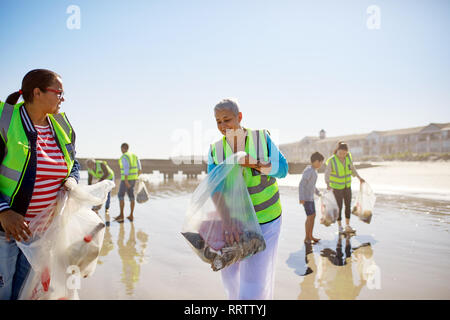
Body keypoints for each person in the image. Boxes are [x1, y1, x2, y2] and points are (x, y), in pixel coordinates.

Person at [0, 69, 80, 300]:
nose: (63, 98)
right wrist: (4, 212)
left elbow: (73, 163)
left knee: (26, 294)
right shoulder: (6, 121)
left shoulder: (62, 127)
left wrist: (71, 180)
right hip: (4, 231)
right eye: (59, 93)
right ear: (37, 92)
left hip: (40, 233)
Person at [207, 98, 288, 300]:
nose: (223, 126)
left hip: (266, 220)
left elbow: (284, 169)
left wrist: (254, 163)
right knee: (230, 276)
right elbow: (214, 188)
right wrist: (227, 221)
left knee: (254, 281)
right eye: (218, 121)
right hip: (234, 222)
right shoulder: (215, 150)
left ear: (239, 117)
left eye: (227, 119)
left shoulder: (261, 139)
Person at [325, 141, 365, 234]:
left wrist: (359, 178)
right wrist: (327, 184)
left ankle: (347, 226)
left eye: (344, 153)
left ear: (347, 152)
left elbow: (353, 169)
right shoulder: (332, 160)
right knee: (339, 207)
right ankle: (340, 227)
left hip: (347, 186)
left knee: (348, 206)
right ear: (337, 151)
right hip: (336, 187)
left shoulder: (348, 158)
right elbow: (327, 173)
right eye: (340, 153)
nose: (342, 155)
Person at [299, 152, 324, 244]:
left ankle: (310, 235)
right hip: (306, 198)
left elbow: (312, 185)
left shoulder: (314, 171)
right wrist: (301, 198)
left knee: (313, 216)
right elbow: (302, 184)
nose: (321, 164)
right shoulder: (309, 171)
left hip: (311, 198)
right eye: (320, 162)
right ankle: (307, 237)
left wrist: (318, 193)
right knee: (310, 217)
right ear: (316, 161)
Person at [114, 143, 142, 223]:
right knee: (131, 196)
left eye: (121, 148)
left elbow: (126, 168)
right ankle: (131, 215)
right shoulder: (135, 156)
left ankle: (121, 215)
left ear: (123, 148)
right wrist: (136, 178)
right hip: (133, 179)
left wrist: (126, 180)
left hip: (126, 179)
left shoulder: (124, 156)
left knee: (120, 195)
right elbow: (140, 169)